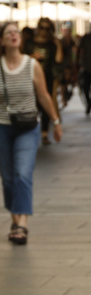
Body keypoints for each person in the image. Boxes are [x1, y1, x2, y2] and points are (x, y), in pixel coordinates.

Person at [0, 22, 63, 245]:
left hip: (28, 127)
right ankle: (15, 218)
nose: (14, 35)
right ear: (2, 41)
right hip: (3, 128)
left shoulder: (32, 65)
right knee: (7, 179)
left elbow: (44, 95)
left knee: (22, 174)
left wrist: (55, 121)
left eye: (16, 32)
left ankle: (22, 224)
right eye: (9, 33)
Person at [30, 18, 63, 146]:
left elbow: (58, 60)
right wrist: (32, 57)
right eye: (42, 28)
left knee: (45, 102)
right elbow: (21, 57)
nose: (44, 31)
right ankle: (32, 129)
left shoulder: (51, 45)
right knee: (33, 104)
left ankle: (44, 132)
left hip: (46, 77)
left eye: (47, 28)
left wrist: (58, 45)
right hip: (29, 78)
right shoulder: (29, 43)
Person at [58, 25, 77, 108]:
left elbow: (74, 53)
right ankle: (63, 98)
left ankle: (66, 95)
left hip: (69, 64)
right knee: (63, 82)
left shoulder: (72, 42)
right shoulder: (61, 42)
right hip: (63, 65)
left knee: (70, 81)